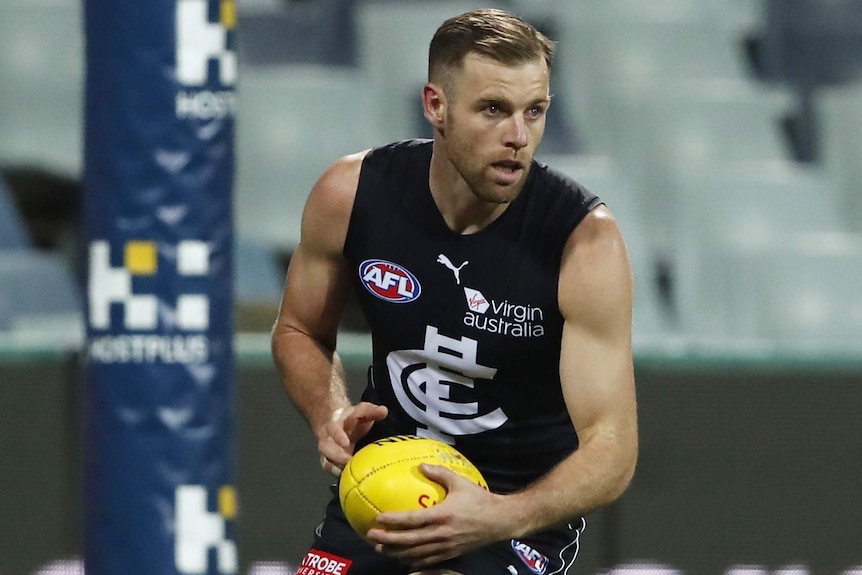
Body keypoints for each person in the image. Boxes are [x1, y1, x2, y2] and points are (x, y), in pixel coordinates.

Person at [271, 8, 638, 575]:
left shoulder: (583, 243)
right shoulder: (351, 193)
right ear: (435, 105)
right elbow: (298, 329)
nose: (518, 137)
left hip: (514, 512)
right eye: (493, 109)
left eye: (534, 111)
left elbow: (612, 449)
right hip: (386, 485)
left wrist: (501, 516)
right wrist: (330, 413)